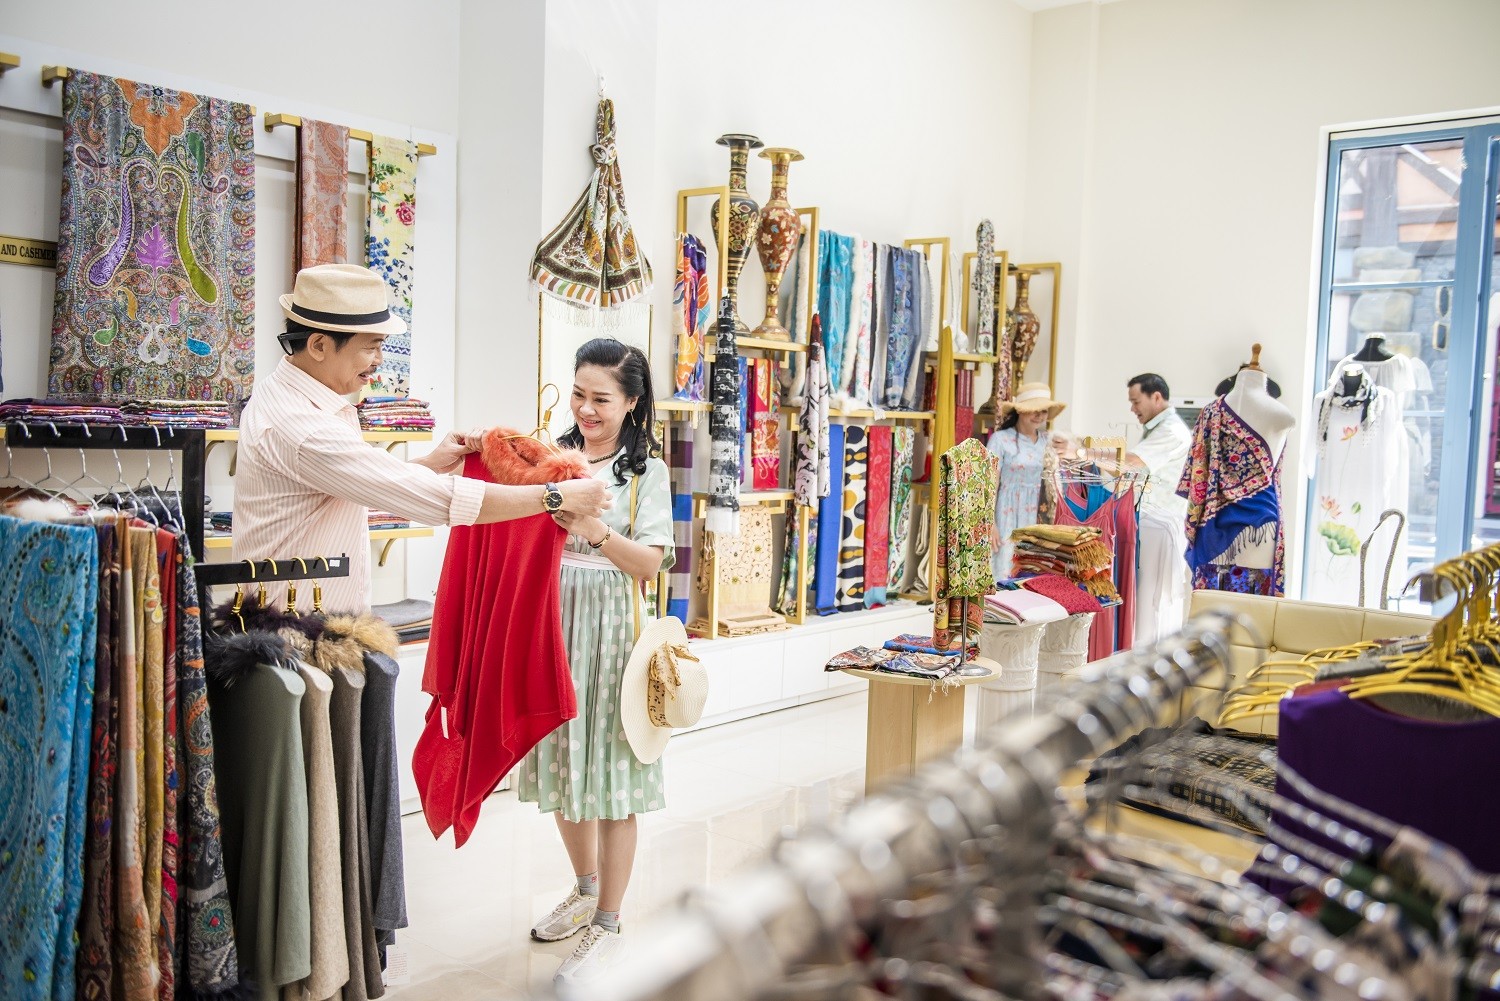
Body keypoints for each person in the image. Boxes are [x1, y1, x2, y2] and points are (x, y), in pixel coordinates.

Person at [234, 263, 610, 612]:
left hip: (306, 620)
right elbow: (436, 500)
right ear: (318, 345)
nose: (380, 359)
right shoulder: (303, 426)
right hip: (292, 630)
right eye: (370, 346)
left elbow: (344, 487)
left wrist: (430, 464)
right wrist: (555, 496)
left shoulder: (289, 397)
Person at [516, 338, 676, 987]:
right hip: (554, 624)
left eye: (600, 398)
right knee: (563, 762)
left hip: (613, 633)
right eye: (578, 393)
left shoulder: (648, 471)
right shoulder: (556, 456)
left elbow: (655, 563)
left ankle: (608, 922)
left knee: (612, 776)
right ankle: (584, 890)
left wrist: (593, 530)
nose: (585, 407)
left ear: (632, 402)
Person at [1125, 373, 1192, 642]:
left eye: (1135, 401)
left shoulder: (1172, 431)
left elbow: (1134, 462)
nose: (1132, 408)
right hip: (1150, 526)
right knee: (1146, 604)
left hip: (1161, 528)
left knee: (1152, 605)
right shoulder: (1157, 429)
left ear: (1156, 397)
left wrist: (1083, 452)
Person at [986, 382, 1065, 578]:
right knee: (1004, 570)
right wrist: (989, 523)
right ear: (1020, 411)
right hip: (1006, 513)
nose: (1039, 416)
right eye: (1034, 410)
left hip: (1039, 515)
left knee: (1035, 571)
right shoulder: (1000, 439)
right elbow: (988, 483)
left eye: (1044, 411)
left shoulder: (1049, 441)